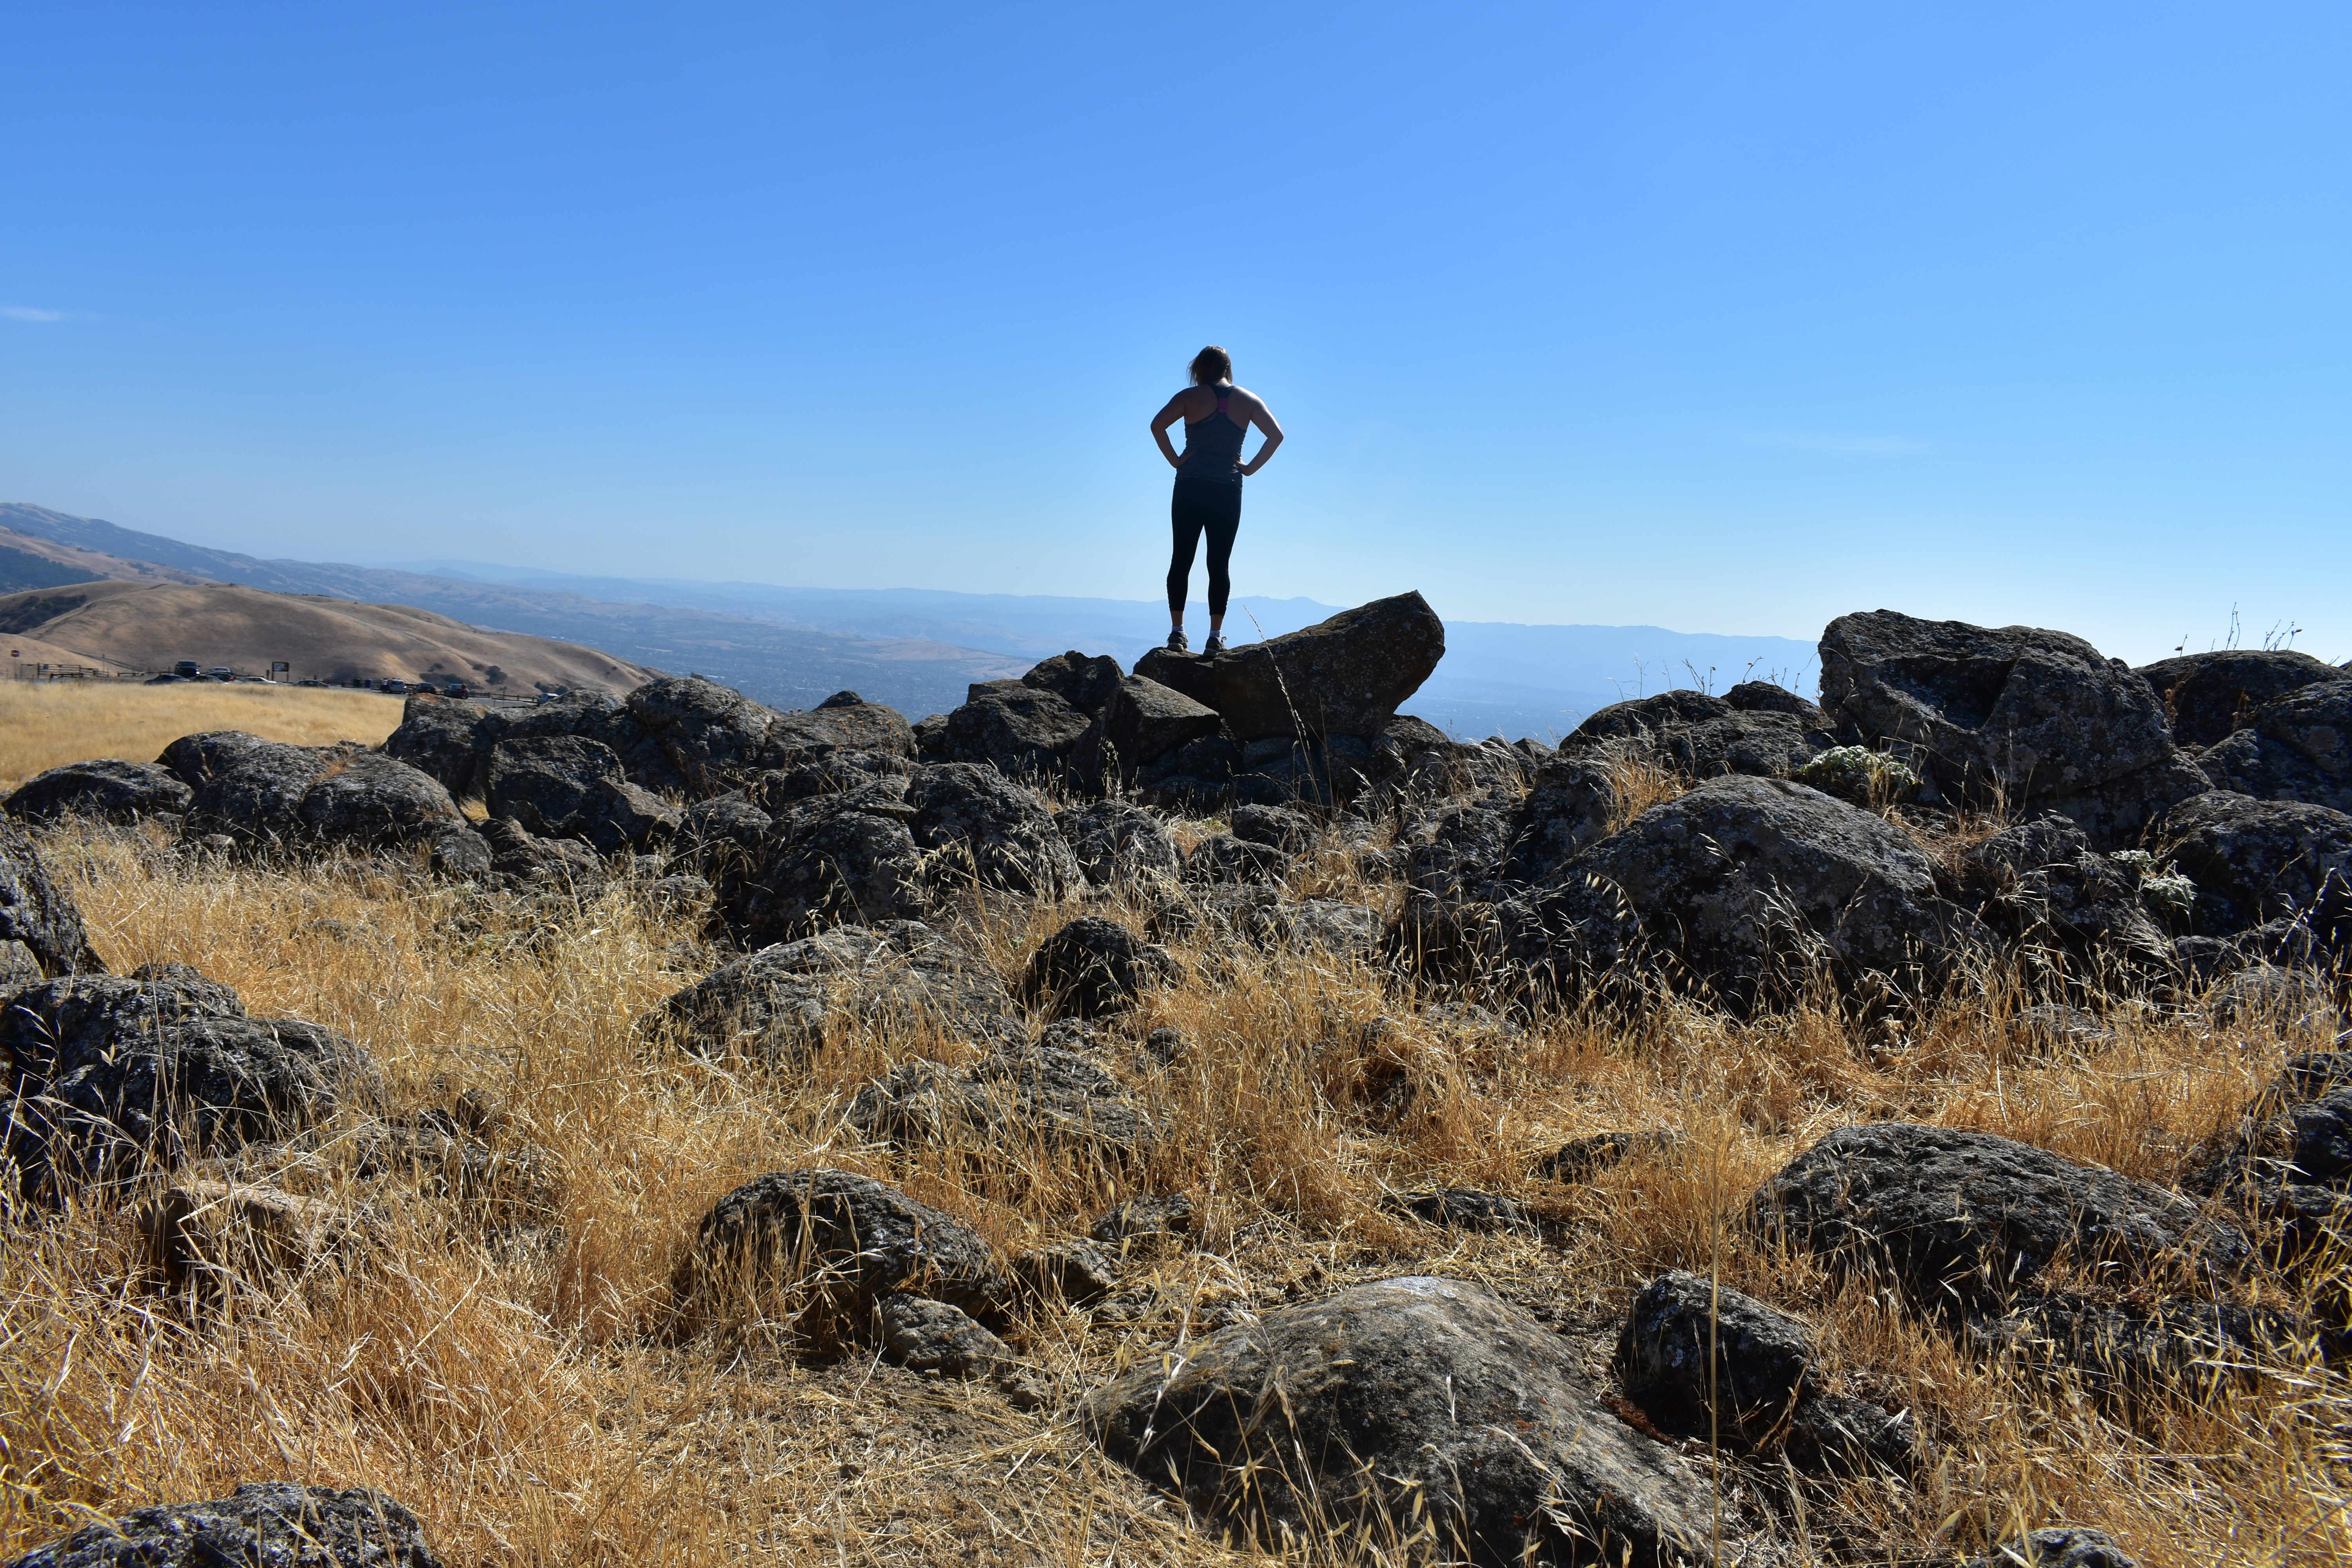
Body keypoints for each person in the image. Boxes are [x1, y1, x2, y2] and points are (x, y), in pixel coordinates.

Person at [1150, 345, 1283, 653]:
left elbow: (1157, 425)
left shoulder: (1188, 398)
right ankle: (1214, 637)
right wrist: (1249, 469)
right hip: (1227, 489)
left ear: (1201, 368)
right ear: (1227, 368)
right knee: (1219, 563)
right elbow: (1276, 436)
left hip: (1190, 485)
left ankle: (1177, 632)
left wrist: (1175, 460)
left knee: (1182, 557)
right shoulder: (1248, 400)